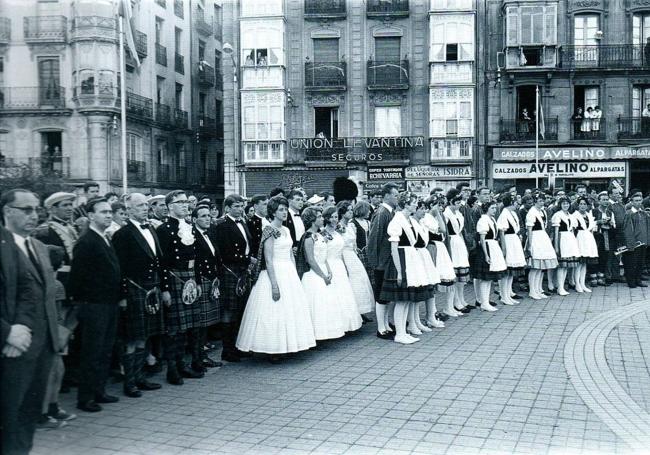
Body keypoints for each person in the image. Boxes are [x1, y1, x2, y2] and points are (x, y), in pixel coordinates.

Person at [1, 190, 58, 454]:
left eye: (36, 210)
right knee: (8, 417)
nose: (34, 216)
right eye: (26, 210)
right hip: (12, 349)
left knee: (28, 415)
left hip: (42, 347)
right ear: (7, 211)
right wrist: (6, 333)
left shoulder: (37, 246)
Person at [237, 196, 316, 361]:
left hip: (288, 271)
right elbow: (269, 259)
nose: (284, 212)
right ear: (273, 212)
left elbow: (290, 254)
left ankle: (290, 344)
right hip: (275, 272)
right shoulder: (269, 230)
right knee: (274, 311)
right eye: (281, 209)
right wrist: (274, 284)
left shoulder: (286, 230)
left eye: (285, 209)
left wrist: (295, 274)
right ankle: (274, 348)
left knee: (291, 309)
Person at [68, 197, 121, 413]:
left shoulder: (104, 238)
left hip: (108, 304)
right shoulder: (86, 241)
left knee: (105, 351)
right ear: (91, 216)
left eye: (110, 212)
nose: (109, 215)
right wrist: (86, 306)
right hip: (94, 306)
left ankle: (99, 391)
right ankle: (86, 397)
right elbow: (78, 279)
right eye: (103, 212)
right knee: (92, 352)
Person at [111, 193, 165, 398]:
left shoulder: (151, 228)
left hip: (152, 288)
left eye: (146, 205)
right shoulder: (123, 234)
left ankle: (141, 377)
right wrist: (123, 296)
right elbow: (119, 269)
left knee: (145, 335)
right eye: (140, 206)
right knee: (132, 338)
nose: (145, 208)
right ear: (130, 210)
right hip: (135, 289)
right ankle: (130, 382)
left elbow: (158, 260)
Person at [156, 191, 204, 384]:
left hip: (190, 278)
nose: (185, 205)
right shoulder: (164, 230)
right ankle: (172, 369)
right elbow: (162, 262)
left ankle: (183, 365)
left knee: (188, 327)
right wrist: (165, 288)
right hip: (175, 278)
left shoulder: (190, 227)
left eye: (186, 202)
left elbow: (196, 258)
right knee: (174, 328)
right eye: (180, 202)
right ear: (170, 206)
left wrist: (198, 281)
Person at [380, 193, 435, 345]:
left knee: (407, 299)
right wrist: (398, 270)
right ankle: (399, 333)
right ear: (405, 204)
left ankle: (404, 331)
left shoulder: (409, 220)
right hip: (402, 260)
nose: (415, 205)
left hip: (411, 259)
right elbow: (394, 249)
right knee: (401, 300)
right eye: (413, 203)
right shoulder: (397, 221)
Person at [212, 194, 255, 363]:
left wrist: (248, 261)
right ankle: (227, 350)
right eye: (236, 206)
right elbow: (225, 252)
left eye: (241, 206)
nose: (240, 209)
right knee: (229, 311)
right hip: (230, 270)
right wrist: (247, 259)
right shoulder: (222, 225)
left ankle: (238, 346)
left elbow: (247, 246)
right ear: (227, 208)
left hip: (243, 269)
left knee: (240, 309)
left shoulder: (243, 222)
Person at [299, 207, 346, 341]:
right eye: (319, 217)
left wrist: (329, 270)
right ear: (312, 220)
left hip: (324, 269)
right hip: (314, 274)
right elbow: (310, 259)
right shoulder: (308, 237)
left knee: (327, 303)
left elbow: (324, 255)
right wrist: (323, 275)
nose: (321, 219)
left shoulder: (319, 235)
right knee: (316, 303)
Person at [191, 205, 223, 371]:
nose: (208, 218)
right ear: (194, 219)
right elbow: (194, 262)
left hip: (212, 280)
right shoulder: (192, 235)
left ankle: (202, 356)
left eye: (209, 216)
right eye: (203, 216)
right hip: (201, 280)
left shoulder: (210, 234)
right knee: (200, 323)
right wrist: (197, 282)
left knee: (207, 323)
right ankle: (197, 358)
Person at [321, 206, 362, 333]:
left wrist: (345, 266)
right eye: (332, 217)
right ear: (327, 218)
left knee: (344, 292)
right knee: (333, 294)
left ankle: (347, 323)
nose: (334, 220)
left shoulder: (338, 232)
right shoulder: (323, 233)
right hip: (329, 263)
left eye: (336, 217)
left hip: (339, 264)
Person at [367, 183, 399, 340]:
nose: (397, 197)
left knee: (387, 295)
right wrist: (375, 262)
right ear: (386, 196)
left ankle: (386, 324)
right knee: (381, 294)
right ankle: (381, 328)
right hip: (382, 261)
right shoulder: (382, 213)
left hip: (388, 260)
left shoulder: (390, 212)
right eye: (395, 195)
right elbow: (374, 238)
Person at [337, 201, 375, 320]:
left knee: (359, 283)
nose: (351, 212)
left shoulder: (350, 226)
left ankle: (360, 312)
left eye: (351, 209)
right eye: (349, 210)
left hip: (353, 256)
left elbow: (354, 243)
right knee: (349, 284)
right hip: (343, 255)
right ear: (342, 213)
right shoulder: (339, 226)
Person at [420, 196, 453, 327]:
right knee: (431, 281)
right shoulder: (426, 218)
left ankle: (433, 313)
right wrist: (436, 213)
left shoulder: (435, 217)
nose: (440, 208)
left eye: (441, 205)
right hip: (432, 248)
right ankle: (430, 314)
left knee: (436, 281)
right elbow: (440, 231)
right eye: (438, 205)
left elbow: (444, 230)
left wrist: (438, 214)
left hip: (439, 248)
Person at [409, 201, 441, 333]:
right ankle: (413, 322)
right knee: (416, 289)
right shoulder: (411, 223)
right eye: (420, 208)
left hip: (424, 255)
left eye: (425, 209)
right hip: (416, 255)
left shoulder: (422, 222)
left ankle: (426, 318)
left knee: (427, 287)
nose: (424, 211)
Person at [473, 201, 507, 312]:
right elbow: (482, 239)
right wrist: (486, 255)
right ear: (487, 208)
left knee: (489, 279)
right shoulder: (483, 220)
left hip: (493, 247)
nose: (495, 210)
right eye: (492, 208)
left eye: (495, 208)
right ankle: (484, 303)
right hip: (486, 248)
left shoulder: (492, 220)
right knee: (485, 278)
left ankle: (485, 301)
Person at [525, 193, 558, 300]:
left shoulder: (542, 211)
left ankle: (538, 289)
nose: (542, 202)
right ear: (535, 201)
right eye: (539, 200)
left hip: (543, 238)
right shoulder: (531, 213)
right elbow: (529, 230)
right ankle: (532, 291)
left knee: (541, 267)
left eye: (543, 201)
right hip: (535, 238)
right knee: (535, 267)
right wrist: (530, 245)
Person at [496, 193, 527, 304]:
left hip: (514, 241)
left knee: (511, 271)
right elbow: (501, 233)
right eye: (516, 202)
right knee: (507, 271)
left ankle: (508, 294)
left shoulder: (513, 213)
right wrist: (504, 248)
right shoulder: (504, 215)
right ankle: (503, 295)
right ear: (512, 203)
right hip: (508, 242)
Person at [443, 192, 471, 311]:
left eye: (460, 203)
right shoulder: (446, 214)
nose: (459, 205)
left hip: (459, 243)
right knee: (454, 275)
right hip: (452, 243)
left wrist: (464, 246)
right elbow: (446, 233)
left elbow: (460, 231)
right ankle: (454, 303)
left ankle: (461, 299)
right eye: (457, 203)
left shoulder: (459, 213)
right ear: (451, 202)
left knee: (462, 276)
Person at [550, 197, 580, 296]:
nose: (565, 205)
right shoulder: (557, 215)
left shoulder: (571, 216)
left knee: (566, 266)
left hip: (570, 240)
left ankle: (562, 286)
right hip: (562, 239)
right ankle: (560, 287)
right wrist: (556, 246)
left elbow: (572, 230)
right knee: (561, 266)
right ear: (560, 205)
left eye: (567, 204)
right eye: (563, 204)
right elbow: (556, 232)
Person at [573, 197, 599, 293]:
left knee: (584, 263)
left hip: (588, 239)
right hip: (579, 239)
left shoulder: (589, 215)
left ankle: (582, 283)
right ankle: (577, 284)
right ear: (578, 205)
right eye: (581, 204)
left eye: (584, 204)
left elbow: (592, 228)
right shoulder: (575, 215)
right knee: (579, 263)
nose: (583, 206)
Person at [622, 192, 647, 288]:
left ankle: (638, 279)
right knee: (631, 263)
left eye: (640, 200)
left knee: (640, 262)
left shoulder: (643, 213)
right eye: (636, 201)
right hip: (634, 243)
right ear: (631, 202)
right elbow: (627, 230)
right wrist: (630, 243)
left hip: (643, 241)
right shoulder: (629, 214)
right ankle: (631, 281)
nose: (638, 203)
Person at [592, 192, 615, 286]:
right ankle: (593, 277)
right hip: (596, 236)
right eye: (603, 200)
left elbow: (614, 225)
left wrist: (610, 223)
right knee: (594, 256)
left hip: (606, 235)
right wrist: (599, 222)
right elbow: (590, 223)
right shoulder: (594, 211)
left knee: (604, 256)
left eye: (607, 200)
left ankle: (601, 276)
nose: (606, 202)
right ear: (599, 201)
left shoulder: (610, 212)